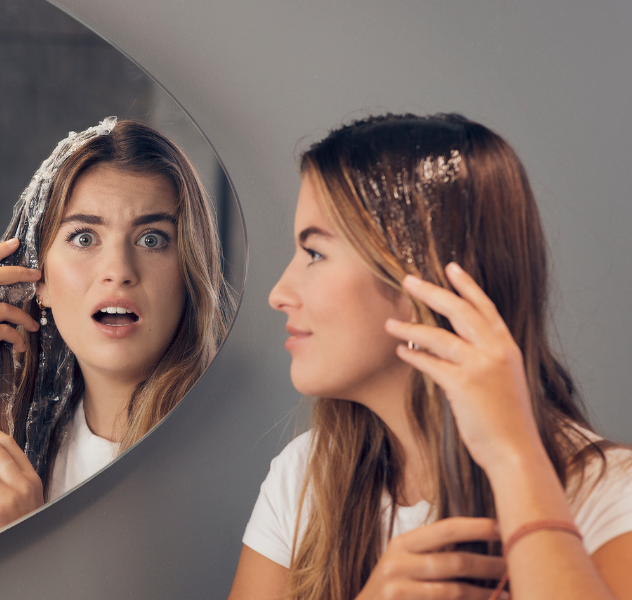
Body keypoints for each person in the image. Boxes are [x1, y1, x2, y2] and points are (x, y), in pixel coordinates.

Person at [229, 114, 632, 600]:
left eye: (314, 253)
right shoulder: (306, 477)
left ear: (421, 274)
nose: (278, 293)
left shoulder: (611, 497)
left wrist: (513, 457)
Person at [0, 118, 234, 583]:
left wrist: (32, 553)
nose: (118, 271)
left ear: (189, 269)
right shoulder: (16, 445)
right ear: (36, 279)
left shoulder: (228, 447)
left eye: (151, 239)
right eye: (84, 237)